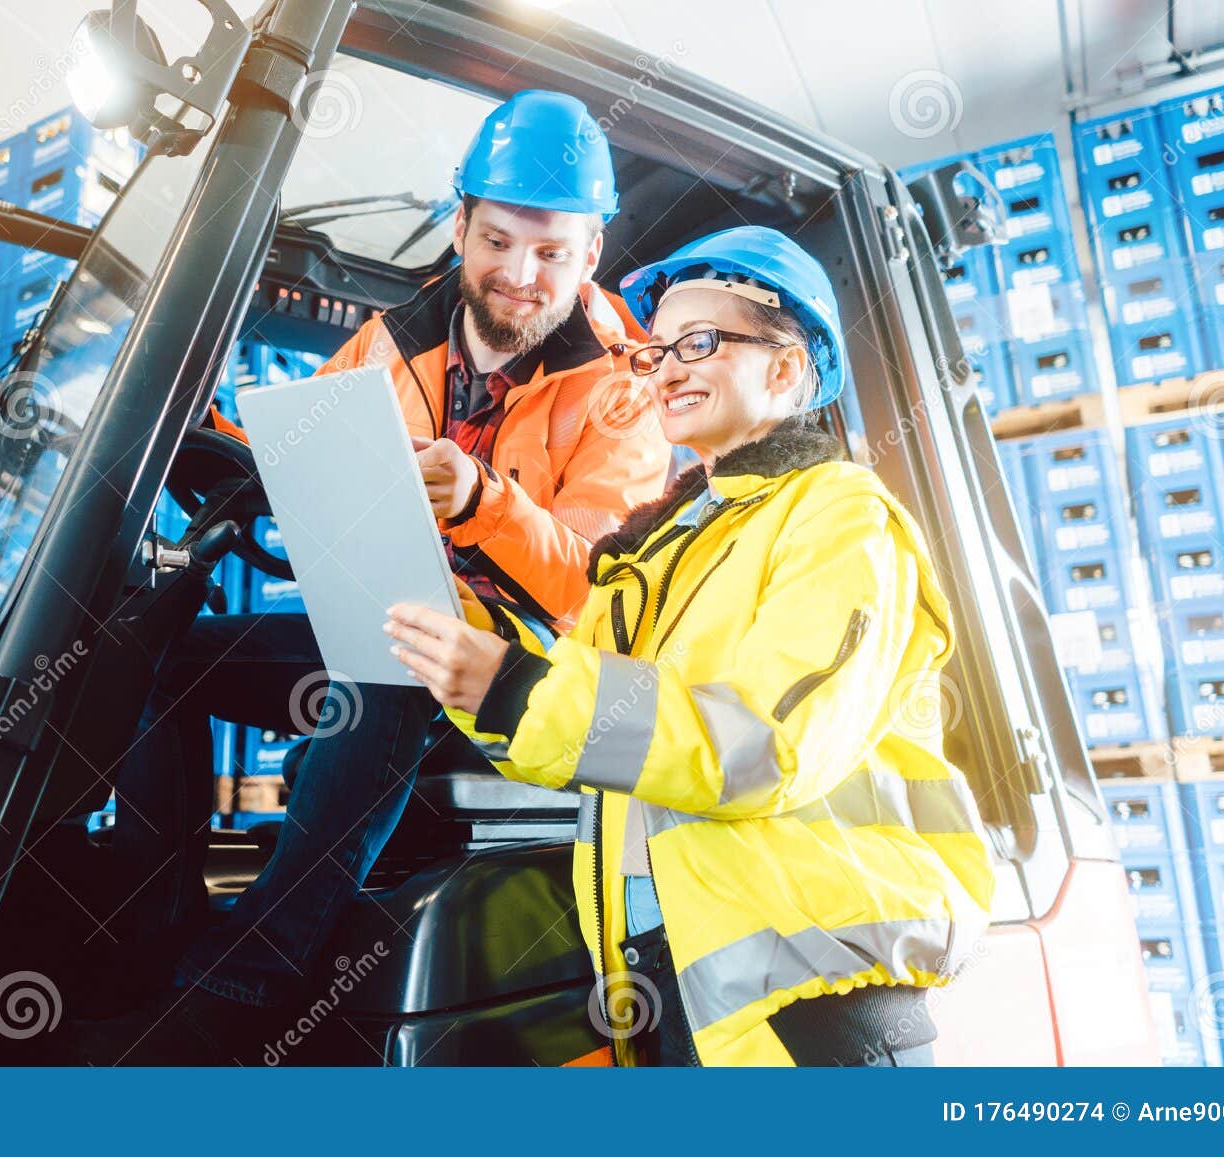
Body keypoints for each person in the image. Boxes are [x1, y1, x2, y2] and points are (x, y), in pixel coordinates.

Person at [103, 90, 670, 1059]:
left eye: (551, 253)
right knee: (157, 649)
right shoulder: (390, 342)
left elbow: (587, 593)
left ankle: (250, 976)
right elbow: (299, 448)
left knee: (396, 662)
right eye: (498, 241)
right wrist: (207, 438)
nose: (521, 275)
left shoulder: (624, 393)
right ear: (459, 227)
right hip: (381, 633)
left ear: (590, 255)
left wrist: (481, 499)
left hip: (520, 681)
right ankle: (150, 924)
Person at [385, 226, 997, 1066]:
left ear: (787, 369)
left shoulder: (841, 518)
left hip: (811, 1011)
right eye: (656, 351)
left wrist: (522, 687)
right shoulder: (661, 551)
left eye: (699, 343)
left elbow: (762, 746)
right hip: (670, 986)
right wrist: (453, 629)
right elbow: (572, 729)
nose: (666, 367)